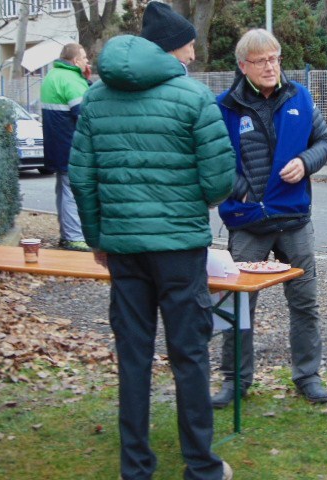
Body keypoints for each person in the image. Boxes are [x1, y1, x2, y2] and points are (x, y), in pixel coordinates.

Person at [68, 2, 236, 479]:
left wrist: (98, 239)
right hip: (180, 251)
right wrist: (188, 203)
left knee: (134, 358)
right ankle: (201, 466)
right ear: (170, 49)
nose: (193, 53)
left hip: (124, 250)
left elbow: (81, 178)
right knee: (190, 356)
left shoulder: (96, 98)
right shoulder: (194, 97)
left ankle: (136, 467)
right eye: (189, 45)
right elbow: (219, 181)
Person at [212, 28, 327, 408]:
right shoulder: (224, 107)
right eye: (261, 60)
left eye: (275, 58)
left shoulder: (300, 97)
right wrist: (242, 191)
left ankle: (308, 376)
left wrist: (306, 162)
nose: (270, 66)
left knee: (305, 302)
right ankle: (235, 380)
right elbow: (213, 160)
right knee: (238, 305)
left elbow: (324, 142)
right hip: (248, 223)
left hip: (294, 220)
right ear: (243, 65)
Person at [40, 43, 91, 252]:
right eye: (84, 57)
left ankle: (66, 234)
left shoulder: (52, 76)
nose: (87, 61)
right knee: (73, 190)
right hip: (71, 145)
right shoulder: (71, 79)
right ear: (75, 61)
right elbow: (84, 115)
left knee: (63, 189)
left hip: (56, 144)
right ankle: (74, 237)